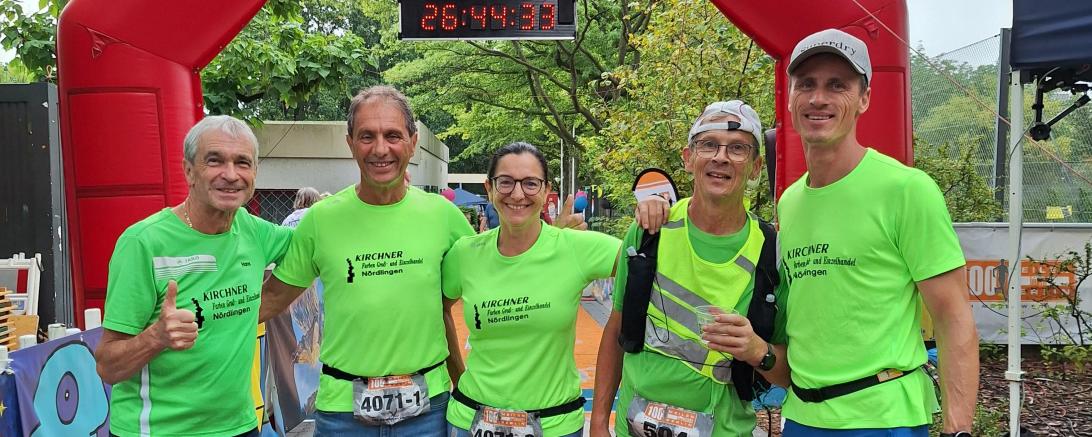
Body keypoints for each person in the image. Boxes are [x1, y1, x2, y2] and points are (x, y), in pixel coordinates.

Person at [777, 29, 978, 436]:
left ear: (864, 98)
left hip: (884, 418)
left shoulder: (907, 190)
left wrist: (958, 429)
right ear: (790, 97)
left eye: (838, 85)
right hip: (801, 416)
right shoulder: (790, 202)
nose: (819, 98)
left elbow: (954, 318)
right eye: (807, 85)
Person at [259, 85, 473, 436]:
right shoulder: (320, 220)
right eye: (366, 136)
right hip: (343, 413)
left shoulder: (444, 217)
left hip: (427, 410)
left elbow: (497, 277)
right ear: (350, 143)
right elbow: (270, 300)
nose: (380, 149)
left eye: (392, 135)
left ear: (413, 141)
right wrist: (186, 327)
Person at [591, 100, 790, 437]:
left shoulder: (772, 253)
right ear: (688, 158)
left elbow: (787, 373)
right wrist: (597, 423)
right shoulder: (649, 232)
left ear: (756, 168)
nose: (721, 157)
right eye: (708, 145)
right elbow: (616, 329)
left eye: (738, 149)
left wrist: (759, 351)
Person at [96, 115, 293, 437]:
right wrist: (156, 337)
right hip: (158, 432)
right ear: (189, 170)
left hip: (239, 427)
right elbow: (107, 366)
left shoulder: (254, 232)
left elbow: (312, 250)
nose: (230, 175)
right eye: (214, 161)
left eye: (242, 163)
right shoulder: (143, 243)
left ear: (254, 173)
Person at [442, 142, 621, 437]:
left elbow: (651, 260)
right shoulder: (465, 253)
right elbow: (439, 309)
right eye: (506, 182)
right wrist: (458, 377)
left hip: (554, 425)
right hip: (472, 420)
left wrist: (656, 208)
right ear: (489, 187)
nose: (517, 193)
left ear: (546, 190)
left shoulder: (574, 247)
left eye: (530, 183)